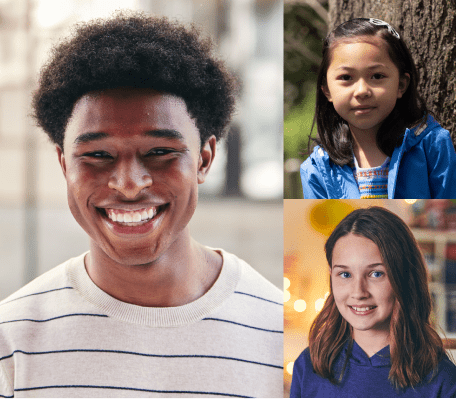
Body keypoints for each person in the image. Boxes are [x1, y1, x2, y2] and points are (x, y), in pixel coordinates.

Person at [0, 11, 283, 399]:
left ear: (204, 160)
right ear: (64, 165)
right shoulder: (11, 338)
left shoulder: (278, 331)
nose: (130, 185)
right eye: (97, 154)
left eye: (160, 152)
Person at [290, 206, 456, 398]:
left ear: (404, 277)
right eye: (345, 274)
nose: (358, 292)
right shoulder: (308, 366)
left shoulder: (443, 379)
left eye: (376, 274)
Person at [300, 18, 456, 199]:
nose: (362, 91)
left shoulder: (433, 147)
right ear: (327, 90)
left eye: (377, 76)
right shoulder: (317, 169)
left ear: (401, 85)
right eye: (346, 77)